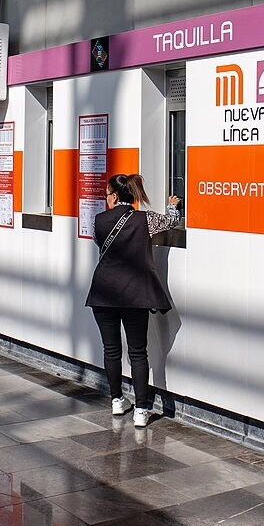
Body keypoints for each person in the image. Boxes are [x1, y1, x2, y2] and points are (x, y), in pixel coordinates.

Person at [85, 174, 181, 427]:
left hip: (103, 292)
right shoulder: (145, 219)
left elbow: (100, 243)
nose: (105, 199)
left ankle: (117, 400)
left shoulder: (99, 220)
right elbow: (172, 221)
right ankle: (141, 410)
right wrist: (173, 205)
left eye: (106, 195)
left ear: (115, 197)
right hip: (135, 294)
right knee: (138, 352)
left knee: (111, 349)